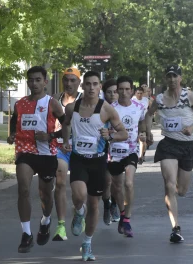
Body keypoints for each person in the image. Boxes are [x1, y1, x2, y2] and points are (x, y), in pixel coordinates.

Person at [61, 71, 128, 261]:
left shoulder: (106, 110)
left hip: (98, 161)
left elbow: (123, 133)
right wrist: (66, 140)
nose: (91, 88)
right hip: (78, 159)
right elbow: (65, 125)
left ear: (100, 87)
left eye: (95, 84)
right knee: (79, 195)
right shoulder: (72, 108)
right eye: (88, 84)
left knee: (93, 204)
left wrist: (111, 136)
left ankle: (87, 243)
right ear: (82, 87)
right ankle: (78, 212)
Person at [146, 64, 193, 243]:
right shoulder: (159, 99)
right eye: (169, 76)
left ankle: (174, 190)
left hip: (188, 146)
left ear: (180, 78)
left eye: (175, 76)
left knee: (181, 190)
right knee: (169, 185)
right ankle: (175, 228)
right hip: (168, 145)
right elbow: (148, 115)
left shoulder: (189, 96)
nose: (172, 79)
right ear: (166, 79)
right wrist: (148, 131)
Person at [7, 66, 66, 253]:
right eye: (31, 80)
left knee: (45, 194)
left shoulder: (52, 103)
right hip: (25, 151)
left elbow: (66, 126)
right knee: (23, 188)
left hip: (47, 153)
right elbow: (14, 120)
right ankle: (26, 234)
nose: (34, 83)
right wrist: (13, 134)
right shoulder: (20, 103)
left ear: (45, 82)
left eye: (38, 80)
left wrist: (50, 136)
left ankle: (46, 220)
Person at [107, 76, 146, 238]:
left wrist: (143, 135)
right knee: (116, 187)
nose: (123, 92)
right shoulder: (110, 108)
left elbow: (142, 123)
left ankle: (128, 219)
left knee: (128, 183)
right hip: (114, 152)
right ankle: (122, 213)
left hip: (131, 151)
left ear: (131, 90)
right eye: (120, 89)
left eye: (126, 89)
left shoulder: (138, 107)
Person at [50, 67, 83, 241]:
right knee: (60, 181)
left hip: (80, 149)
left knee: (80, 194)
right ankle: (61, 226)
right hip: (60, 146)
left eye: (72, 80)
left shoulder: (85, 100)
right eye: (66, 80)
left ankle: (79, 211)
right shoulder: (54, 99)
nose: (69, 83)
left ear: (79, 83)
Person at [101, 79, 121, 225]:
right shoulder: (100, 107)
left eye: (115, 92)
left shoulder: (123, 107)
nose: (113, 95)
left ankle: (114, 204)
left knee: (117, 183)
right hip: (103, 148)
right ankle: (106, 205)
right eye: (109, 92)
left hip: (120, 148)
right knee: (106, 182)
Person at [132, 87, 149, 164]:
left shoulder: (146, 100)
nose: (139, 95)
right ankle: (136, 154)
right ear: (135, 93)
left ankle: (141, 156)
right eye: (138, 93)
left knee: (143, 139)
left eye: (141, 93)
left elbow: (151, 108)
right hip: (134, 121)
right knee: (135, 140)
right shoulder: (132, 100)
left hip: (143, 121)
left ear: (143, 93)